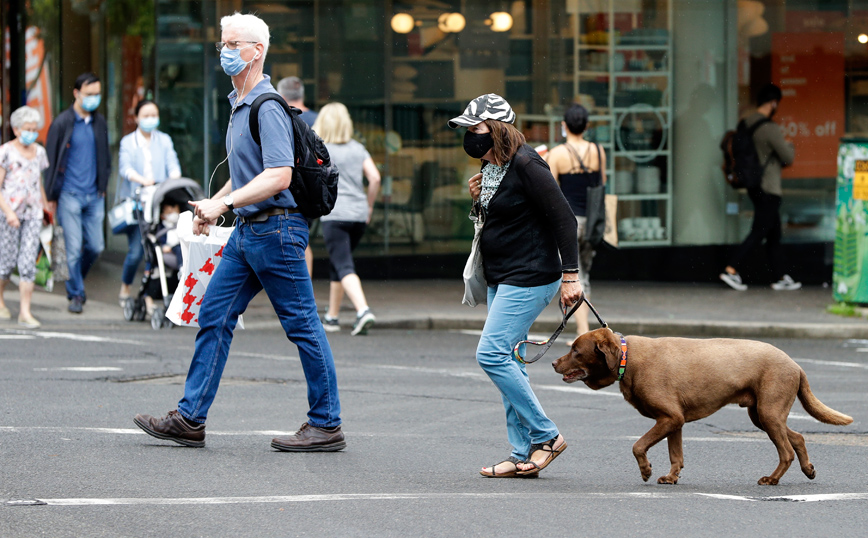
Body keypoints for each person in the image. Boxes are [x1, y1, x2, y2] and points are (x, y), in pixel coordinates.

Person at [134, 12, 344, 452]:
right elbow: (247, 174)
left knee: (303, 324)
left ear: (257, 51)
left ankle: (327, 423)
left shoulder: (266, 106)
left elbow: (279, 175)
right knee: (214, 315)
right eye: (223, 45)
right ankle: (190, 418)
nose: (226, 52)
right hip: (250, 234)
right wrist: (216, 205)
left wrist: (223, 203)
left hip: (277, 232)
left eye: (234, 45)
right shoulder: (241, 104)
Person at [448, 94, 583, 477]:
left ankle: (547, 435)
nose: (468, 137)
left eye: (474, 130)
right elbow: (503, 219)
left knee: (491, 354)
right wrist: (478, 202)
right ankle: (521, 452)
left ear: (496, 130)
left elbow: (564, 220)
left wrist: (571, 276)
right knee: (510, 362)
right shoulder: (491, 165)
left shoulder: (526, 163)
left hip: (530, 276)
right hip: (502, 276)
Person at [720, 83, 800, 292]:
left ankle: (781, 276)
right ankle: (731, 269)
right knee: (759, 231)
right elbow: (788, 157)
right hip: (769, 186)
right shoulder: (770, 128)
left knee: (773, 233)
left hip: (753, 185)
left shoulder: (745, 122)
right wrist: (789, 143)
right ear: (774, 103)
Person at [43, 72, 111, 314]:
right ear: (76, 93)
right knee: (73, 248)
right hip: (68, 195)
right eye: (89, 94)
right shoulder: (62, 123)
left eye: (97, 94)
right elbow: (50, 162)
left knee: (95, 246)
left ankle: (75, 280)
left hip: (95, 195)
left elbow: (105, 157)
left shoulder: (99, 122)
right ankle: (76, 294)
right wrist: (50, 197)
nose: (94, 98)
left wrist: (103, 186)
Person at [313, 103, 381, 335]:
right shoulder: (358, 148)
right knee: (338, 262)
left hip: (335, 214)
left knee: (343, 264)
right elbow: (374, 178)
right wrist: (369, 206)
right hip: (359, 215)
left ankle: (363, 310)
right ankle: (332, 317)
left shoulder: (321, 150)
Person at [545, 103, 606, 339]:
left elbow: (550, 191)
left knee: (574, 276)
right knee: (585, 276)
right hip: (592, 222)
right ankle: (584, 327)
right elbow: (601, 183)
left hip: (568, 223)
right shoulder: (598, 151)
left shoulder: (558, 153)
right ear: (586, 126)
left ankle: (582, 331)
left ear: (564, 125)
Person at [117, 99, 182, 306]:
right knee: (137, 251)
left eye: (154, 115)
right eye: (145, 115)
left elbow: (172, 163)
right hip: (138, 203)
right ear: (136, 118)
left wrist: (175, 178)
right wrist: (141, 180)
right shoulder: (128, 142)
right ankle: (126, 285)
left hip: (158, 202)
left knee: (156, 249)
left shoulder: (164, 140)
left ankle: (150, 294)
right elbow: (124, 168)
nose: (150, 119)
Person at [0, 106, 51, 328]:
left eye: (34, 129)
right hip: (9, 213)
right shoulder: (5, 152)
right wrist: (8, 212)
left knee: (28, 262)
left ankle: (25, 311)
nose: (31, 133)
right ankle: (0, 301)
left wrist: (46, 207)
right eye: (27, 129)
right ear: (16, 129)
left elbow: (37, 181)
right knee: (7, 262)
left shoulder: (39, 152)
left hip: (33, 213)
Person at [277, 75, 317, 276]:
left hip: (289, 189)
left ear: (281, 96)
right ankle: (303, 285)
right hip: (315, 189)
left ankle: (303, 286)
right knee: (302, 238)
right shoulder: (319, 120)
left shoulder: (282, 119)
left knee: (298, 240)